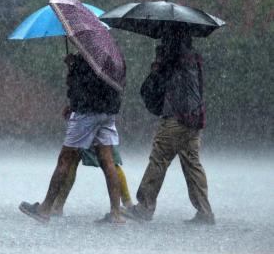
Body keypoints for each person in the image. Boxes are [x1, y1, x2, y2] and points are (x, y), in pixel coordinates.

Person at [19, 52, 125, 223]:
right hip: (108, 111)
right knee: (108, 160)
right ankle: (116, 213)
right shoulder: (112, 55)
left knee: (65, 159)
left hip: (87, 113)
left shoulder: (86, 57)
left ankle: (45, 208)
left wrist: (73, 68)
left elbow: (81, 87)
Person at [124, 28, 215, 225]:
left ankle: (144, 208)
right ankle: (205, 211)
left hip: (176, 118)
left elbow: (153, 85)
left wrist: (158, 64)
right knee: (192, 164)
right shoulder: (194, 58)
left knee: (159, 158)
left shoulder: (173, 59)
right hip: (195, 118)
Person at [50, 146, 133, 217]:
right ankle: (127, 205)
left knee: (72, 158)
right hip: (100, 129)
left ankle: (57, 206)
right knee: (109, 160)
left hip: (85, 129)